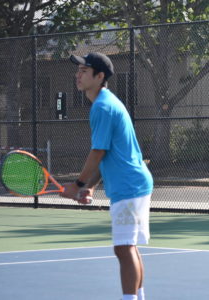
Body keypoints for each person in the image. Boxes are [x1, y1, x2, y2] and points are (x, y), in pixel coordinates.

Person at [60, 52, 153, 300]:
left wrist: (78, 184)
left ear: (99, 76)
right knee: (128, 247)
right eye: (78, 70)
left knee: (123, 248)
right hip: (134, 182)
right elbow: (107, 152)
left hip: (129, 185)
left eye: (84, 70)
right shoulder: (106, 102)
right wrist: (90, 187)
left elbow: (98, 151)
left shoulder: (102, 106)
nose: (78, 75)